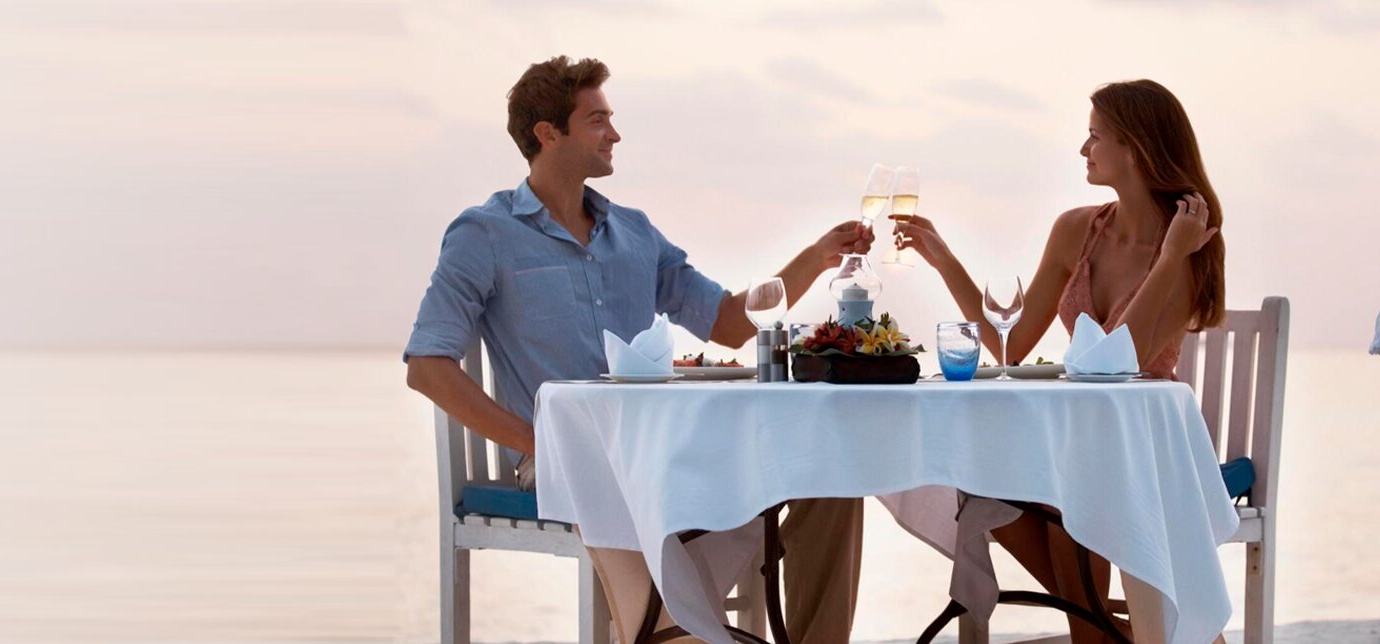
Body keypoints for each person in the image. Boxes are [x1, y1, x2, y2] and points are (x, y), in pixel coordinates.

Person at [403, 55, 871, 643]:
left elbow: (728, 322)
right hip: (567, 461)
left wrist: (819, 255)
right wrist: (542, 441)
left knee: (829, 477)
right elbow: (427, 367)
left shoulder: (635, 232)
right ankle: (675, 627)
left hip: (665, 449)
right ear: (548, 134)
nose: (615, 134)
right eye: (597, 120)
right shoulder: (485, 233)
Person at [897, 79, 1226, 642]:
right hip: (1072, 441)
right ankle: (1107, 629)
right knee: (980, 480)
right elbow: (1008, 345)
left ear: (1137, 148)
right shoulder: (1078, 230)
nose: (1083, 150)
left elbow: (1120, 359)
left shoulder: (1191, 244)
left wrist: (1171, 257)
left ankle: (1101, 630)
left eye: (1095, 137)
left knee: (1071, 492)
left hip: (1139, 451)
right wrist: (943, 260)